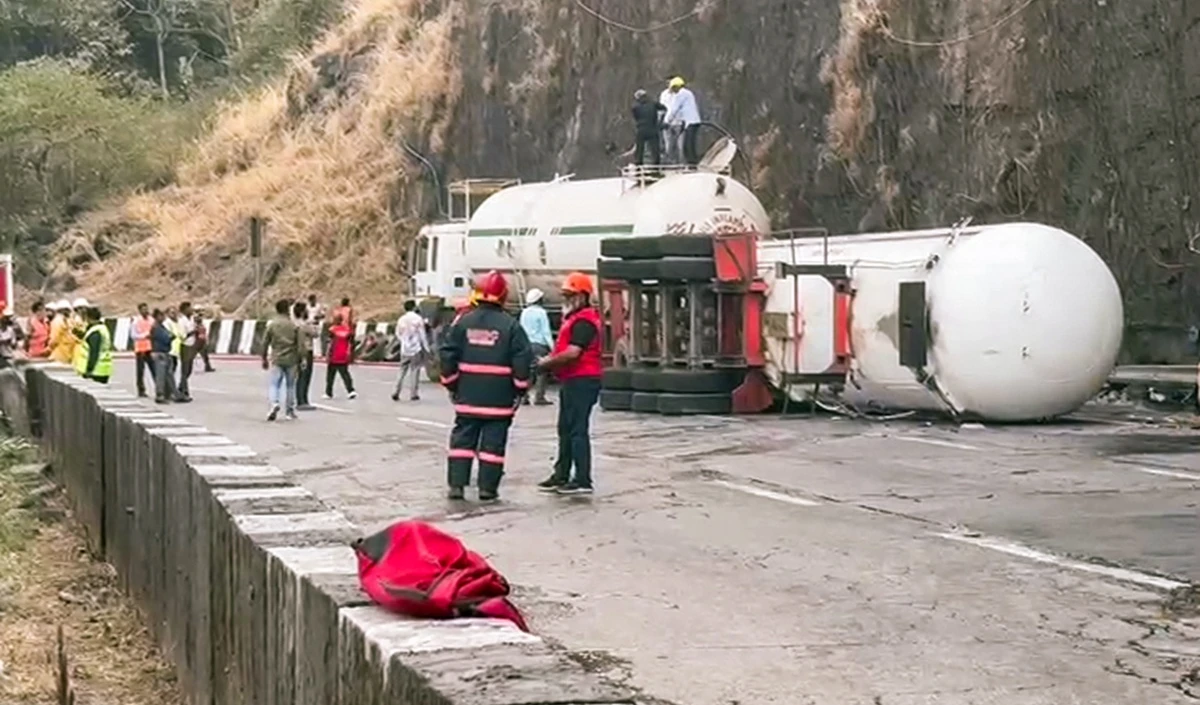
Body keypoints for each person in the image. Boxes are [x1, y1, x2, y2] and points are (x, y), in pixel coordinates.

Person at [438, 271, 533, 502]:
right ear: (503, 296)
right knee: (493, 446)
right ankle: (487, 489)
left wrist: (451, 384)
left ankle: (457, 486)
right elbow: (522, 361)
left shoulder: (462, 322)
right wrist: (520, 390)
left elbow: (447, 355)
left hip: (467, 397)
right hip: (499, 400)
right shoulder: (512, 326)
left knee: (462, 442)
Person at [536, 272, 604, 495]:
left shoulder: (584, 322)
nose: (566, 299)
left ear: (583, 296)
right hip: (573, 379)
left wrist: (546, 363)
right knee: (566, 429)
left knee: (576, 430)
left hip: (582, 379)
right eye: (565, 295)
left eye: (571, 295)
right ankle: (561, 474)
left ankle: (582, 480)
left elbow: (573, 353)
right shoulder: (575, 319)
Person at [262, 299, 301, 421]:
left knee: (274, 384)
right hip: (292, 359)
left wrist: (264, 358)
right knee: (290, 386)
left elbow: (265, 342)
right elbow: (300, 345)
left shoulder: (272, 325)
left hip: (277, 358)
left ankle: (274, 403)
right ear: (287, 310)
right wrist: (302, 358)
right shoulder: (294, 325)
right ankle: (289, 411)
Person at [519, 288, 553, 405]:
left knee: (529, 372)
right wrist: (553, 348)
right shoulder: (541, 313)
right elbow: (546, 332)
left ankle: (524, 396)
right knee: (542, 372)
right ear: (539, 300)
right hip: (539, 345)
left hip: (527, 345)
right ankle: (539, 397)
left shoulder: (524, 312)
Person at [391, 300, 429, 402]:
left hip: (405, 349)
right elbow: (422, 335)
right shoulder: (418, 319)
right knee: (415, 371)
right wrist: (427, 348)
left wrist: (404, 341)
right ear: (414, 307)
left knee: (402, 370)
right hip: (416, 349)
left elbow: (398, 334)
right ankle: (413, 394)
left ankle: (396, 391)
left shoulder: (401, 319)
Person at [662, 76, 702, 166]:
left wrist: (666, 121)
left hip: (690, 122)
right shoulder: (688, 93)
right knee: (689, 144)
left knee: (687, 145)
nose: (673, 91)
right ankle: (692, 163)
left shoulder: (681, 94)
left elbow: (674, 109)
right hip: (692, 121)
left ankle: (692, 164)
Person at [75, 307, 113, 384]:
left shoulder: (95, 332)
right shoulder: (101, 328)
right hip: (102, 369)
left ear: (89, 318)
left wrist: (89, 370)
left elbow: (94, 352)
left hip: (96, 371)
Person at [632, 89, 667, 167]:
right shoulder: (653, 104)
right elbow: (664, 108)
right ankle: (656, 164)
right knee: (655, 149)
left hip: (641, 129)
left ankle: (638, 164)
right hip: (652, 128)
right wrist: (660, 120)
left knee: (640, 148)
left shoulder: (635, 107)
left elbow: (636, 117)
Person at [293, 300, 318, 409]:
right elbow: (315, 333)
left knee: (300, 376)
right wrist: (312, 322)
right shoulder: (304, 324)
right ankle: (302, 401)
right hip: (306, 350)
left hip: (297, 350)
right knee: (305, 376)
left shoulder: (294, 323)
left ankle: (302, 399)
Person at [325, 313, 357, 399]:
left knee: (330, 375)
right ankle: (351, 390)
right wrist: (350, 354)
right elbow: (351, 343)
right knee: (345, 374)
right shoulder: (347, 330)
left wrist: (327, 355)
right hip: (343, 355)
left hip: (334, 355)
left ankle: (328, 392)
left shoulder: (332, 330)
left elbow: (329, 343)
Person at [148, 309, 176, 403]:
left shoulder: (161, 326)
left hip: (164, 352)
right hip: (159, 353)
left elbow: (171, 335)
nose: (163, 317)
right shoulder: (156, 328)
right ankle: (160, 395)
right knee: (160, 375)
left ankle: (170, 393)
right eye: (161, 316)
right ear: (157, 317)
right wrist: (170, 337)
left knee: (168, 375)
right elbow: (166, 338)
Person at [132, 303, 156, 397]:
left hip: (151, 348)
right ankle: (141, 390)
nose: (145, 311)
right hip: (140, 349)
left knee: (154, 370)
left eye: (146, 309)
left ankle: (159, 388)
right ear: (139, 311)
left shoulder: (152, 320)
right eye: (143, 309)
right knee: (140, 371)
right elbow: (133, 335)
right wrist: (145, 336)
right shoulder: (136, 321)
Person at [659, 80, 682, 165]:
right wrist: (661, 120)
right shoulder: (664, 94)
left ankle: (681, 164)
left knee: (680, 145)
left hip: (679, 122)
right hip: (667, 123)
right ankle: (670, 163)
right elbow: (661, 108)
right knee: (668, 145)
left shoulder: (680, 94)